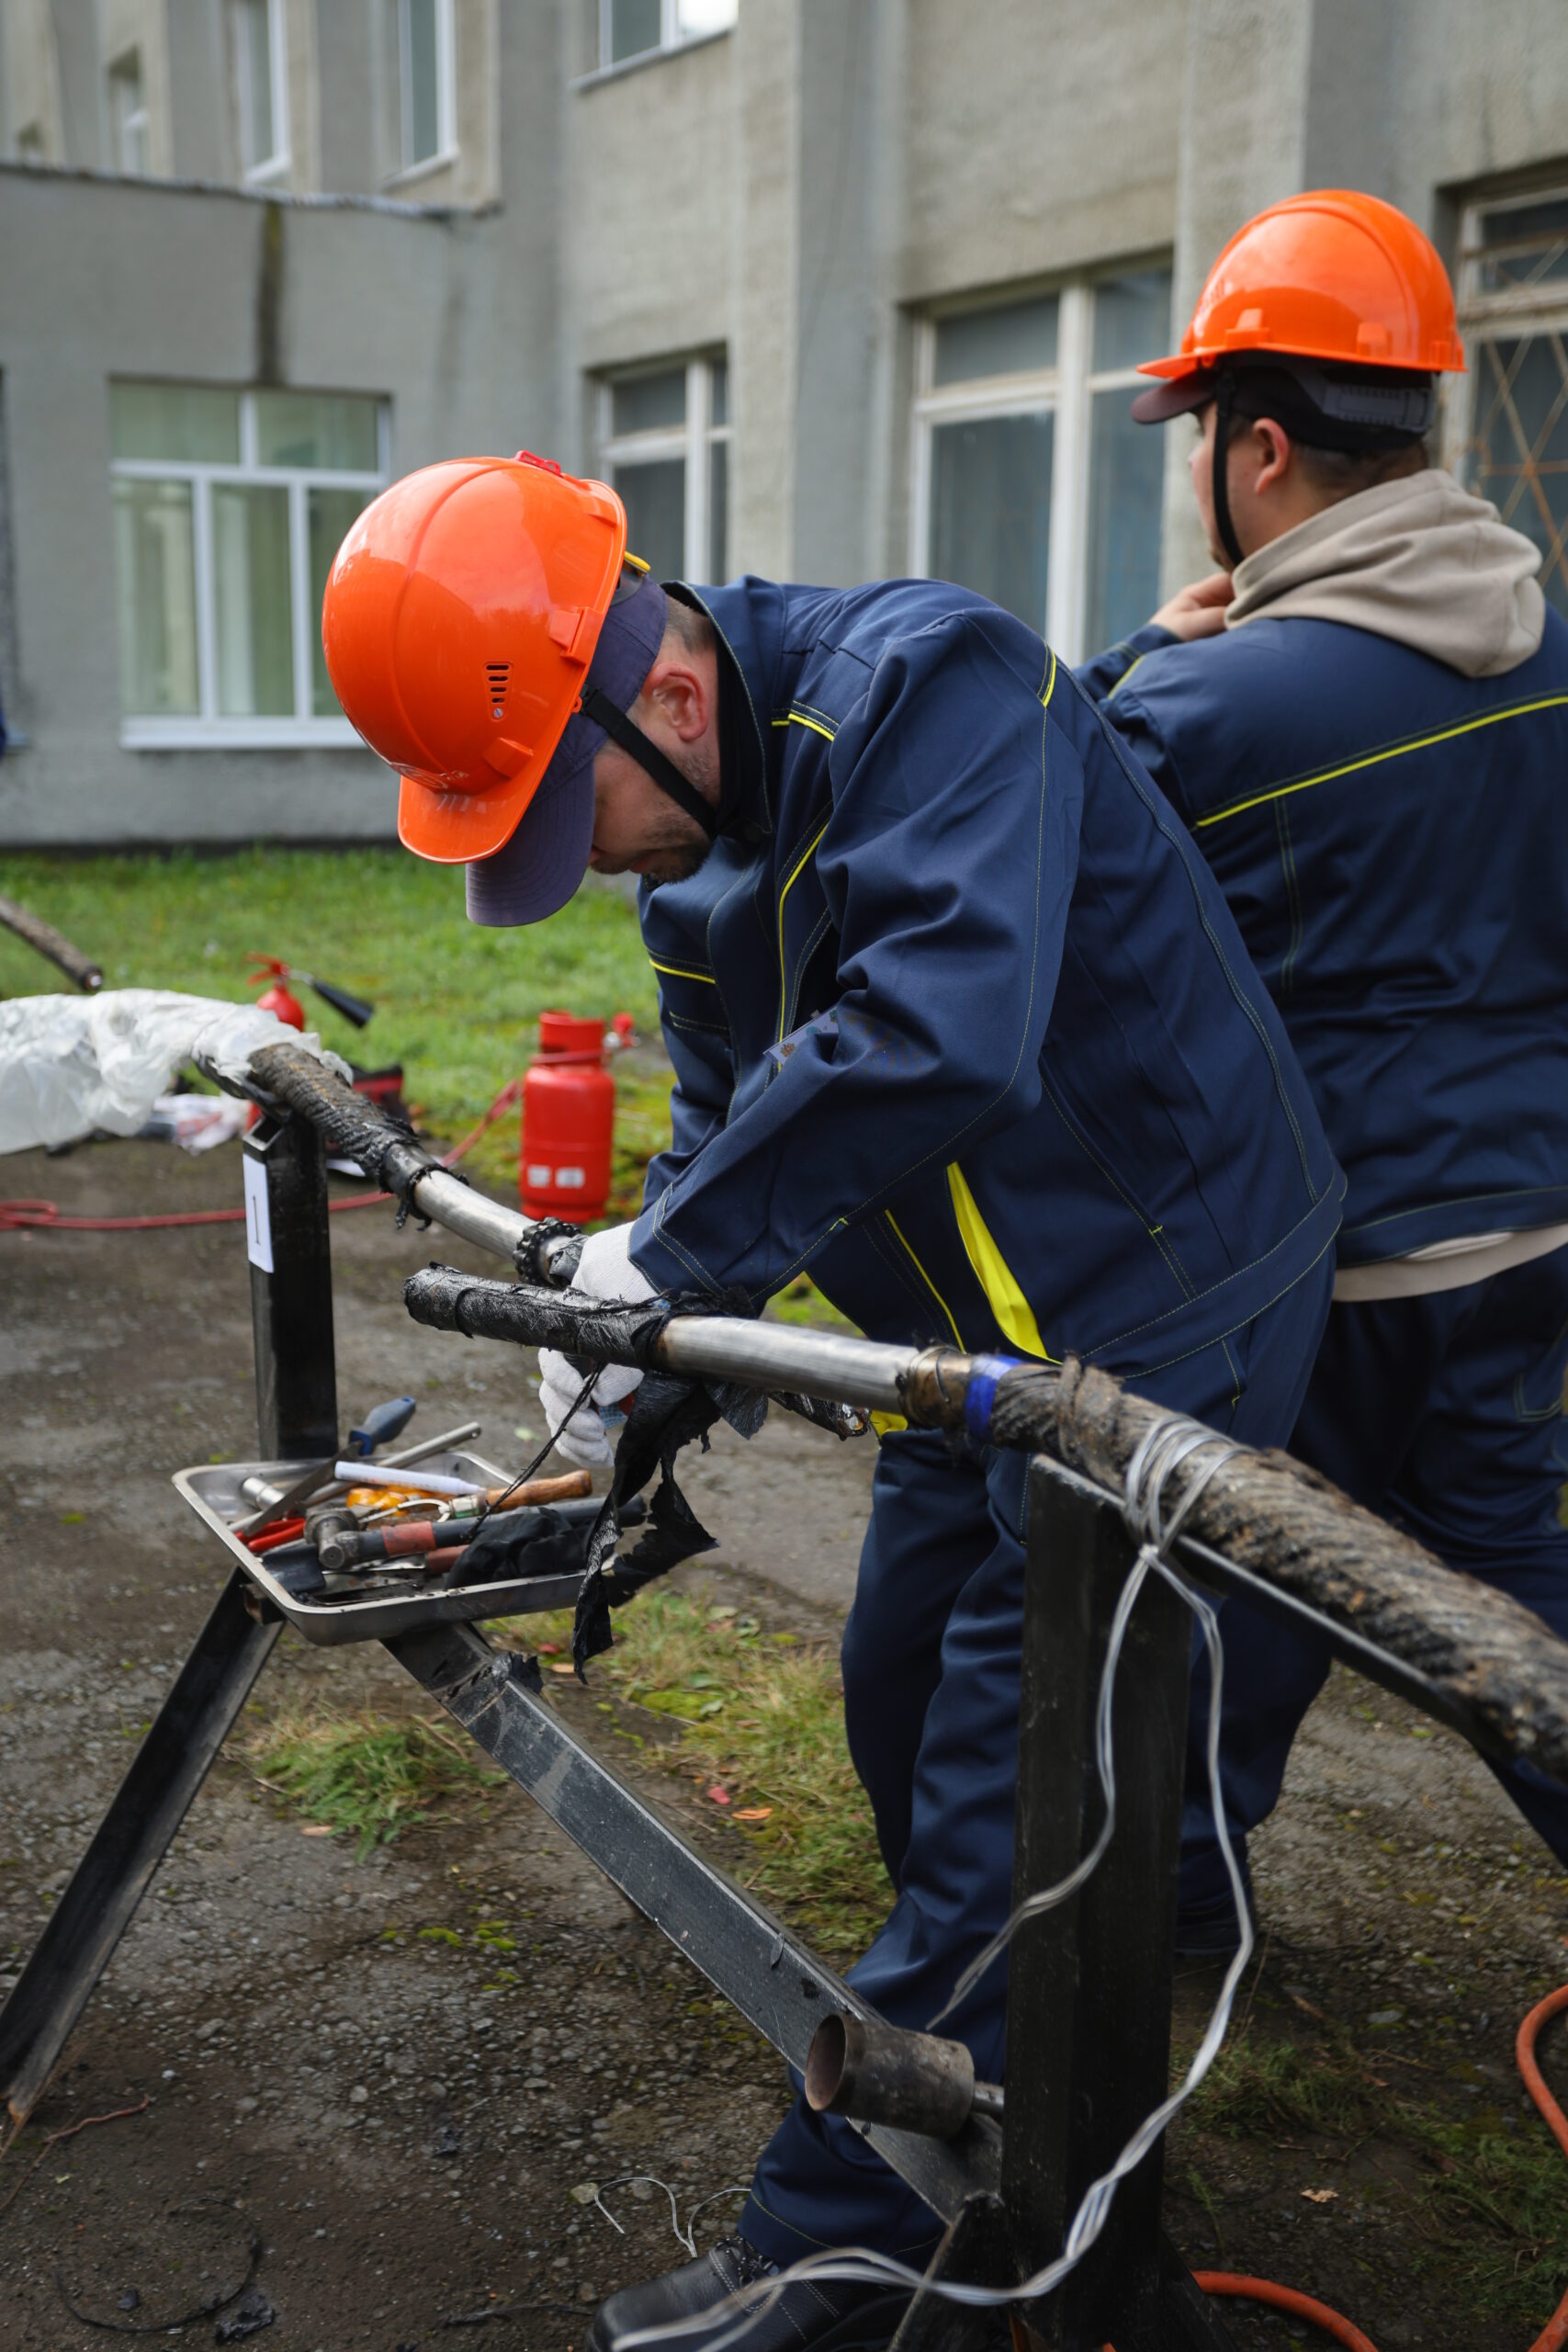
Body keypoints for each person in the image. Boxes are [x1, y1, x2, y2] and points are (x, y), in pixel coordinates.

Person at [322, 451, 1342, 2349]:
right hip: (966, 1345)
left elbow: (937, 1025)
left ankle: (852, 2255)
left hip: (1161, 1292)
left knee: (1008, 1775)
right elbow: (732, 1112)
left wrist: (676, 1248)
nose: (597, 857)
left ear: (674, 695)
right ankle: (1047, 2016)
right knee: (899, 1676)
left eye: (574, 805)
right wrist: (643, 1336)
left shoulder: (931, 687)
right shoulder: (695, 844)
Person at [1078, 188, 1568, 1951]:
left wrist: (1149, 648)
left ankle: (1161, 1978)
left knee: (1212, 1643)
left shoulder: (1204, 712)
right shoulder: (1554, 651)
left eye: (1200, 431)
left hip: (1315, 1287)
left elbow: (1031, 850)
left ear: (1260, 448)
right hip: (1527, 1247)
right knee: (1526, 1636)